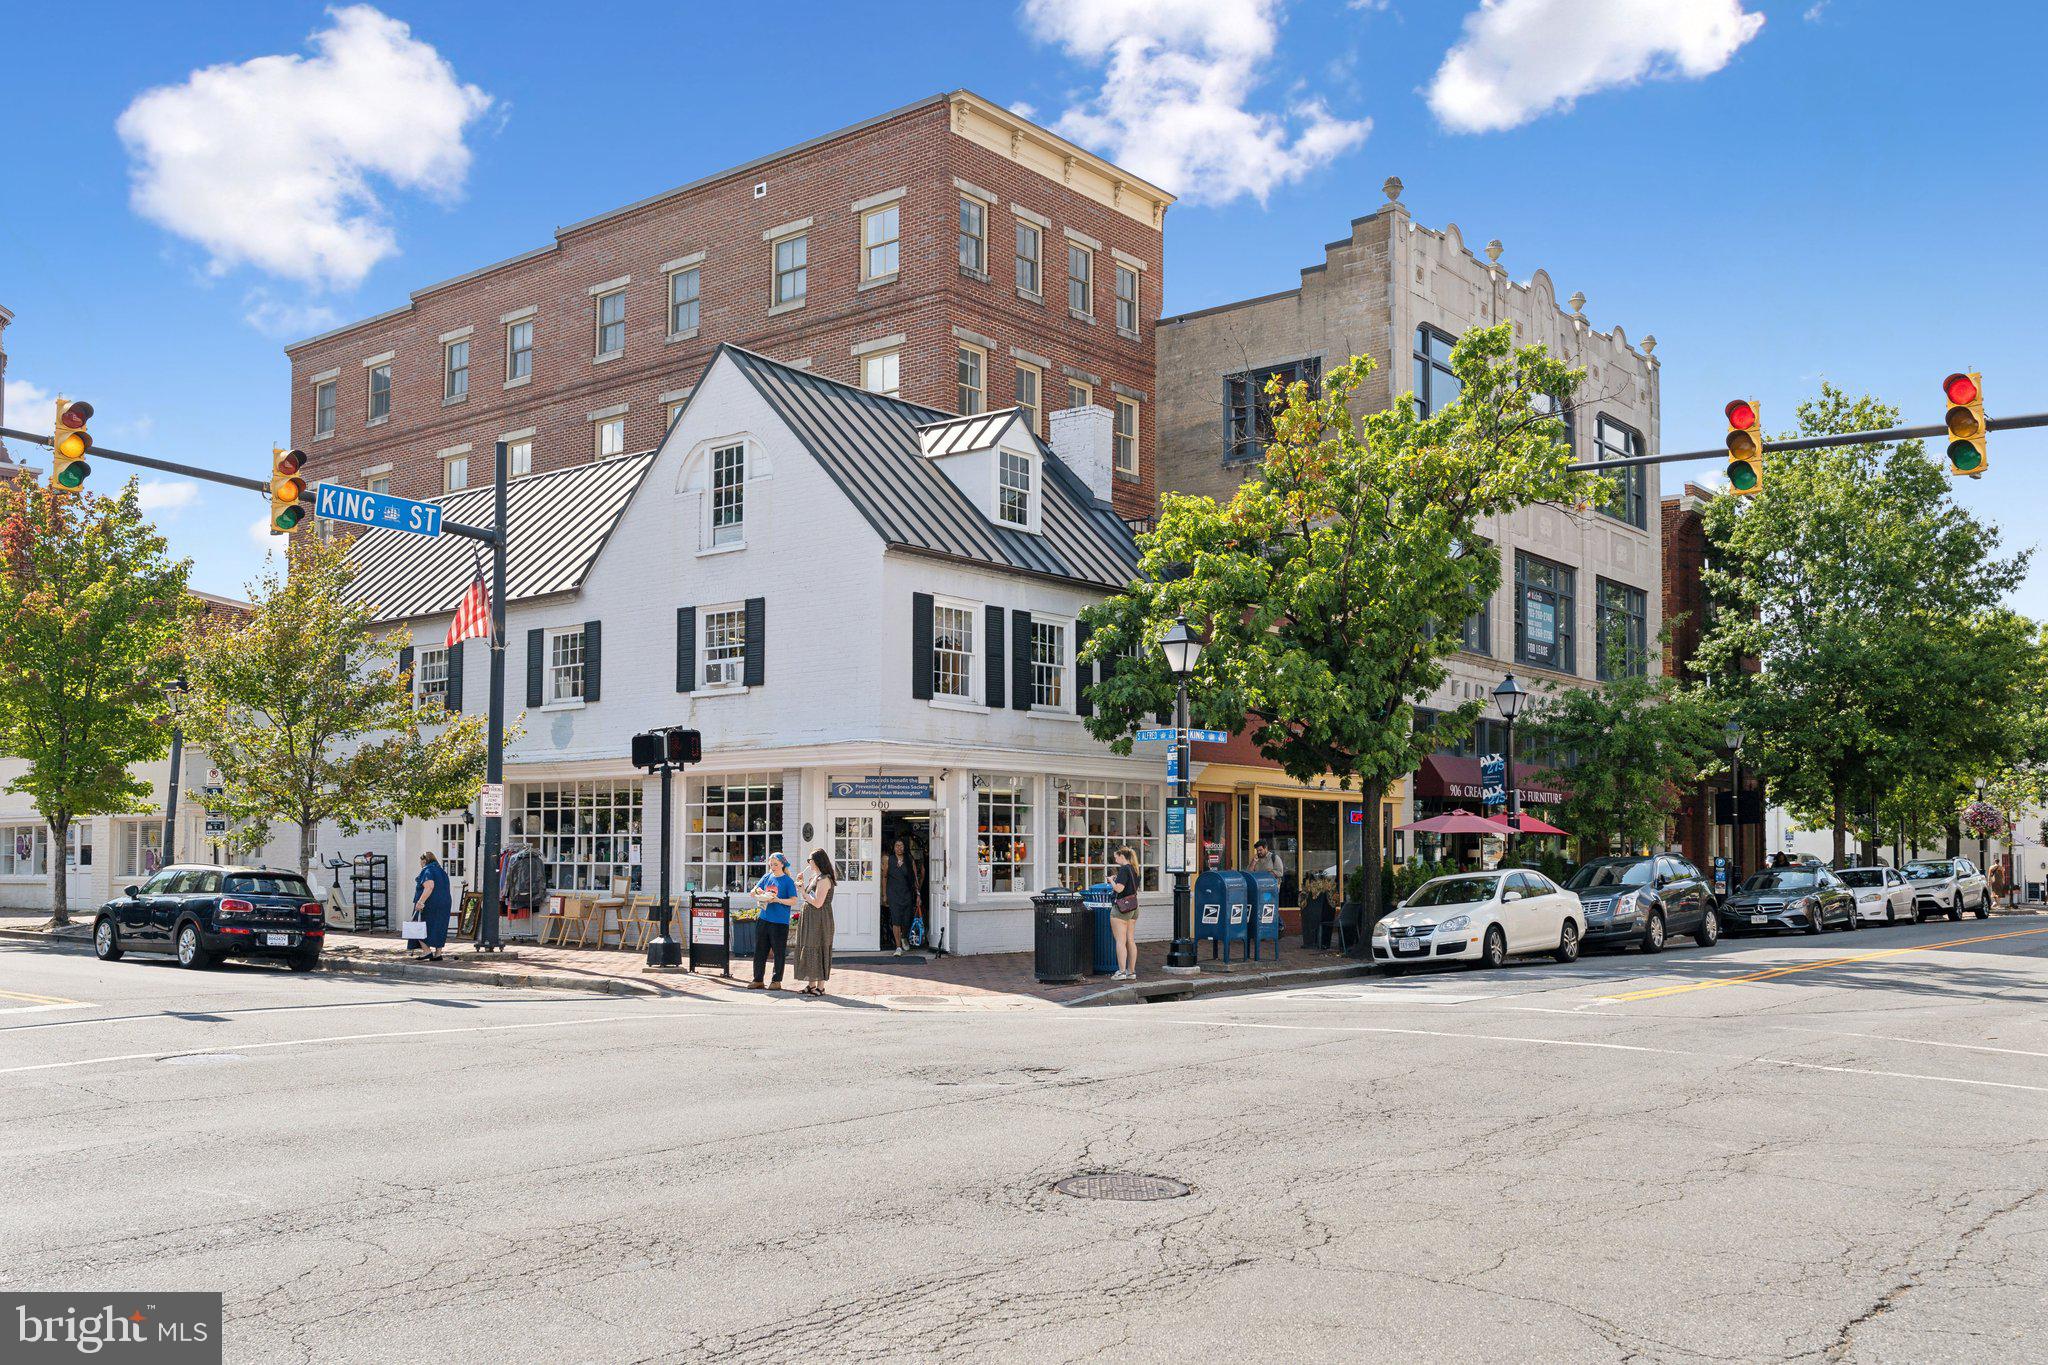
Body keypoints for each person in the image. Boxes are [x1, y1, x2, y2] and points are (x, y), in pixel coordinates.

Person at [748, 853, 799, 990]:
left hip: (780, 922)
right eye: (771, 864)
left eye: (776, 864)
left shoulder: (788, 881)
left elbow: (794, 900)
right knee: (760, 950)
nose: (773, 867)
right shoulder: (766, 877)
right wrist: (757, 892)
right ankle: (758, 979)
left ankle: (776, 981)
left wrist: (778, 900)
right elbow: (753, 892)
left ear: (783, 864)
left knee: (779, 951)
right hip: (763, 918)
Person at [792, 849, 838, 997]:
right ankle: (811, 985)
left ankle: (821, 987)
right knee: (809, 947)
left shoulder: (824, 879)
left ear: (817, 861)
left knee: (818, 948)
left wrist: (803, 893)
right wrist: (802, 885)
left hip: (819, 919)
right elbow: (808, 896)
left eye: (810, 860)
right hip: (810, 918)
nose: (808, 863)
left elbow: (818, 903)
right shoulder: (815, 877)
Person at [882, 836, 922, 955]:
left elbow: (915, 878)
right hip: (893, 893)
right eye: (897, 846)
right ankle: (898, 947)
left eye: (901, 845)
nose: (899, 848)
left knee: (906, 919)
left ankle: (904, 937)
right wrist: (884, 894)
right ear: (893, 848)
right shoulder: (889, 860)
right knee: (896, 920)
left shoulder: (909, 859)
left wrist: (918, 894)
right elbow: (884, 877)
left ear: (904, 847)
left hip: (907, 893)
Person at [412, 851, 452, 962]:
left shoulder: (427, 870)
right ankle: (438, 954)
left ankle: (426, 951)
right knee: (440, 926)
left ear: (424, 861)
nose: (420, 864)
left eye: (420, 861)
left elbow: (429, 887)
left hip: (431, 903)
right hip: (445, 902)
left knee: (417, 924)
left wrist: (420, 902)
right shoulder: (441, 871)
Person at [1109, 845, 1141, 981]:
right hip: (1134, 908)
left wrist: (1111, 881)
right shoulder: (1135, 869)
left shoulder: (1123, 869)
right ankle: (1131, 972)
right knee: (1130, 940)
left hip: (1121, 908)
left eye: (1116, 856)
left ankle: (1121, 972)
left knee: (1120, 941)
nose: (1115, 859)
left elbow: (1119, 889)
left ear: (1122, 856)